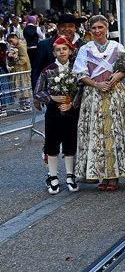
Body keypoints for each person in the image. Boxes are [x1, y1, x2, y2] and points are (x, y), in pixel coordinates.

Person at [73, 15, 125, 191]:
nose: (98, 31)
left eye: (101, 27)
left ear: (106, 28)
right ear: (90, 30)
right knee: (96, 134)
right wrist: (97, 84)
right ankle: (100, 173)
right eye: (94, 28)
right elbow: (80, 73)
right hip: (94, 95)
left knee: (114, 133)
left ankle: (114, 175)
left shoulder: (117, 46)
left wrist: (116, 77)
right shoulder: (85, 49)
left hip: (115, 94)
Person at [33, 36, 81, 194]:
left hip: (70, 112)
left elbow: (81, 90)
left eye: (64, 49)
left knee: (70, 143)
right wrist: (51, 98)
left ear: (70, 51)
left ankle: (70, 175)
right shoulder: (48, 70)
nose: (62, 52)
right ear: (54, 52)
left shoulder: (76, 69)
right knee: (52, 145)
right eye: (58, 50)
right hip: (53, 112)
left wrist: (72, 103)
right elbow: (38, 91)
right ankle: (53, 176)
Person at [33, 14, 84, 89]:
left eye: (70, 26)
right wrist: (39, 95)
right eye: (63, 26)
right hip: (52, 94)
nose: (67, 29)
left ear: (75, 28)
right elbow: (36, 72)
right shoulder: (44, 45)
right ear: (58, 27)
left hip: (78, 93)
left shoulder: (83, 46)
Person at [5, 32, 32, 112]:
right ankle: (22, 105)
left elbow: (24, 59)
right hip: (18, 69)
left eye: (11, 41)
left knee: (23, 87)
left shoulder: (21, 46)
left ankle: (27, 106)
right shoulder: (17, 46)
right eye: (9, 42)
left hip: (22, 70)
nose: (11, 43)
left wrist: (15, 61)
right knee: (19, 87)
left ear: (16, 38)